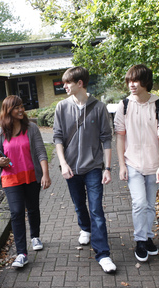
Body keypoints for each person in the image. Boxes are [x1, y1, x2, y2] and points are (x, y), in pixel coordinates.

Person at [53, 66, 116, 273]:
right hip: (71, 168)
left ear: (80, 83)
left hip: (93, 167)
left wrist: (107, 168)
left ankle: (103, 254)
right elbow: (58, 138)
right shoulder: (61, 107)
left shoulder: (99, 108)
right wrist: (63, 163)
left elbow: (106, 139)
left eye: (67, 83)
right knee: (79, 203)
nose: (64, 87)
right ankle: (85, 228)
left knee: (96, 209)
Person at [113, 64, 159, 262]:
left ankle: (147, 237)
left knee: (150, 205)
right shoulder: (124, 105)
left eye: (136, 81)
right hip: (133, 163)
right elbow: (120, 137)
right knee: (139, 203)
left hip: (154, 163)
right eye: (129, 81)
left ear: (146, 82)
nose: (132, 85)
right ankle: (140, 240)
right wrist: (121, 165)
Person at [0, 95, 51, 268]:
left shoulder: (31, 128)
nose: (21, 110)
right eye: (17, 107)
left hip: (31, 175)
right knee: (17, 213)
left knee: (32, 208)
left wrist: (46, 174)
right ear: (8, 110)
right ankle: (21, 254)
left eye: (22, 106)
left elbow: (40, 151)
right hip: (10, 178)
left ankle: (35, 236)